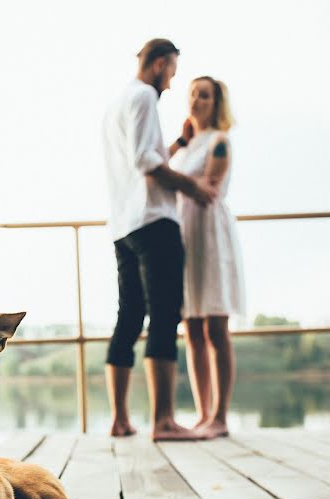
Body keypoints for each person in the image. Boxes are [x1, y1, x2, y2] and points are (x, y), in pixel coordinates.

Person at [102, 39, 217, 441]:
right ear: (160, 63)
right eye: (172, 72)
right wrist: (193, 188)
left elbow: (143, 157)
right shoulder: (146, 98)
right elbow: (148, 164)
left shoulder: (117, 103)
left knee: (129, 316)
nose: (171, 82)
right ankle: (165, 421)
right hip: (154, 221)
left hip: (124, 224)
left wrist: (179, 146)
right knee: (166, 316)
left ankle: (119, 420)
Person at [169, 76, 246, 439]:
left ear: (216, 103)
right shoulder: (185, 147)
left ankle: (220, 416)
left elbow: (208, 190)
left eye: (205, 95)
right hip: (183, 236)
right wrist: (180, 142)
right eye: (193, 94)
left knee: (216, 325)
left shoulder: (219, 142)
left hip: (210, 235)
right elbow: (158, 171)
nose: (197, 100)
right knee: (193, 329)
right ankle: (202, 414)